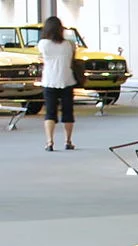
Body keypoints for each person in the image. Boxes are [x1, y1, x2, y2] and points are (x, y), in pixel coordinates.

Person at [37, 16, 75, 151]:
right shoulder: (69, 44)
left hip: (50, 81)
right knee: (68, 112)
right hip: (67, 80)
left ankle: (50, 142)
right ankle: (68, 141)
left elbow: (42, 57)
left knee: (50, 112)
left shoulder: (43, 44)